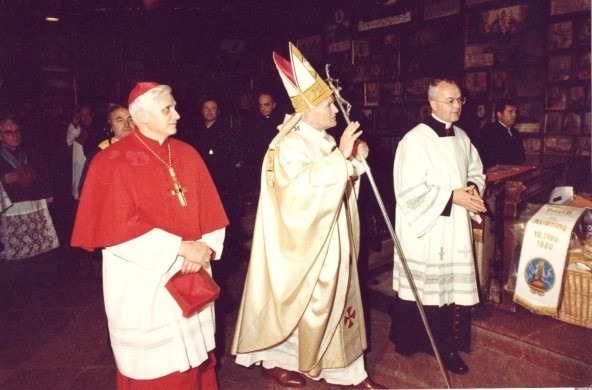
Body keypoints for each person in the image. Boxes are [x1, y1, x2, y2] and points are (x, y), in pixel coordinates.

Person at [232, 42, 383, 389]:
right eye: (328, 104)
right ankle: (275, 359)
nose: (335, 109)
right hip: (300, 246)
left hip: (329, 237)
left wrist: (354, 161)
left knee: (333, 302)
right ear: (309, 110)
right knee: (298, 304)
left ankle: (348, 371)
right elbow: (296, 194)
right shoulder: (287, 145)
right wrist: (341, 159)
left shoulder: (320, 137)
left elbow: (335, 180)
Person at [71, 82, 228, 389]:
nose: (178, 114)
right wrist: (182, 249)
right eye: (168, 109)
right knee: (157, 371)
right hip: (144, 283)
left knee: (197, 362)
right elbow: (115, 234)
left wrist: (205, 248)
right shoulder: (110, 162)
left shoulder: (188, 154)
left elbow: (212, 212)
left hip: (192, 274)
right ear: (141, 116)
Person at [390, 78, 487, 375]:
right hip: (426, 228)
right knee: (422, 289)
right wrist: (451, 196)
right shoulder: (414, 140)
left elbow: (475, 169)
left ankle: (445, 346)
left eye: (460, 100)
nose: (457, 105)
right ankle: (408, 339)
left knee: (447, 294)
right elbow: (406, 190)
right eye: (450, 100)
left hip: (453, 224)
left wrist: (471, 188)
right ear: (433, 104)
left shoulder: (461, 136)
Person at [0, 117, 59, 260]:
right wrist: (3, 180)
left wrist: (33, 176)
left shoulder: (31, 151)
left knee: (39, 252)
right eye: (9, 132)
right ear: (0, 135)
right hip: (11, 209)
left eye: (17, 131)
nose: (15, 135)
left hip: (34, 206)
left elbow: (44, 174)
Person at [477, 98, 525, 169]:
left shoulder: (516, 133)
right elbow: (487, 156)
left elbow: (521, 157)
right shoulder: (489, 130)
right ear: (499, 114)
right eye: (510, 111)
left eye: (515, 112)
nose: (514, 115)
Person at [245, 92, 283, 169]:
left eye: (266, 104)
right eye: (260, 105)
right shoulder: (252, 122)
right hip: (257, 163)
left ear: (274, 105)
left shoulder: (282, 121)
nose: (263, 108)